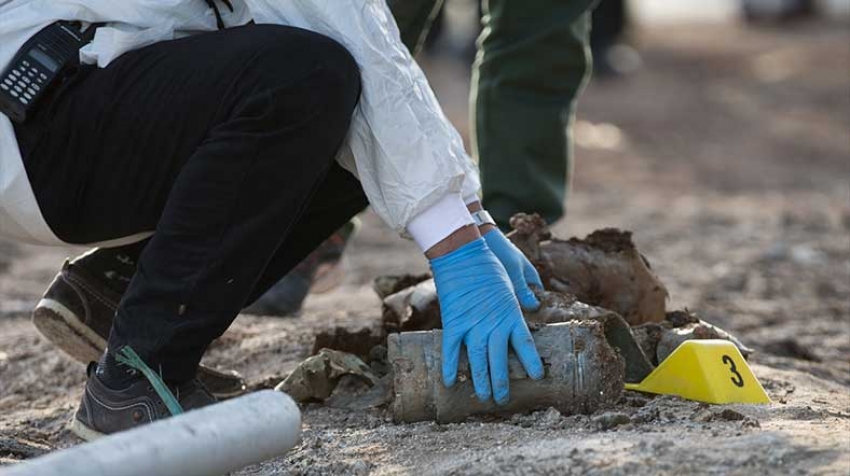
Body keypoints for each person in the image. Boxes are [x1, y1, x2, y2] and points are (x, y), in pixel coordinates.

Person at [0, 0, 544, 439]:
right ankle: (139, 376)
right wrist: (456, 246)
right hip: (36, 111)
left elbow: (374, 51)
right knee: (304, 79)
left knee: (357, 125)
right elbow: (340, 26)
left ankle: (121, 297)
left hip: (68, 107)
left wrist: (475, 220)